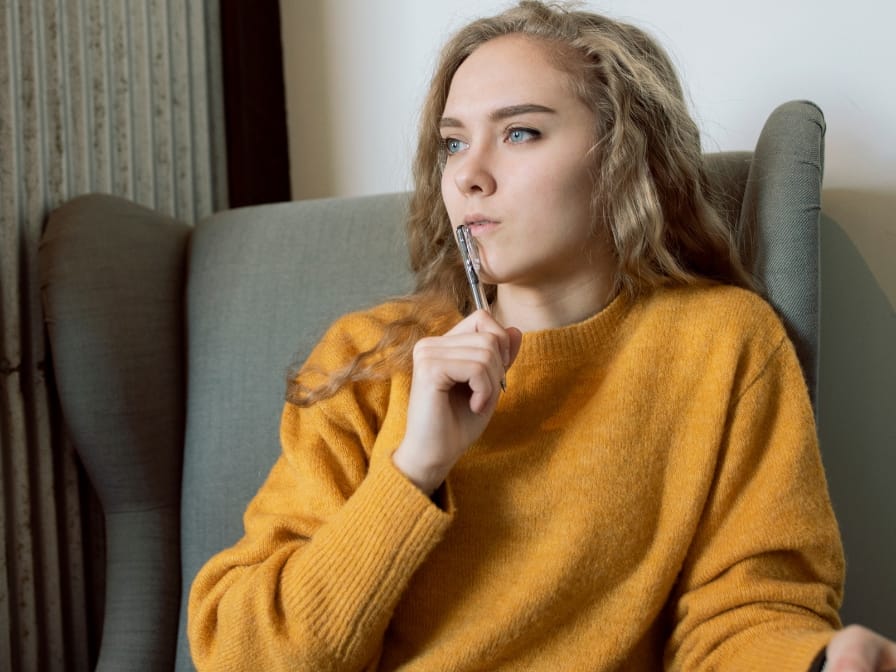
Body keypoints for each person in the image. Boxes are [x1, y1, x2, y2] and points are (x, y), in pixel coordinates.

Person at [188, 2, 896, 670]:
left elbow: (746, 612)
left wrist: (817, 662)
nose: (468, 175)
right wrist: (411, 471)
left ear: (624, 156)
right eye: (453, 143)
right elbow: (241, 653)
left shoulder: (723, 342)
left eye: (520, 132)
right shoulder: (366, 359)